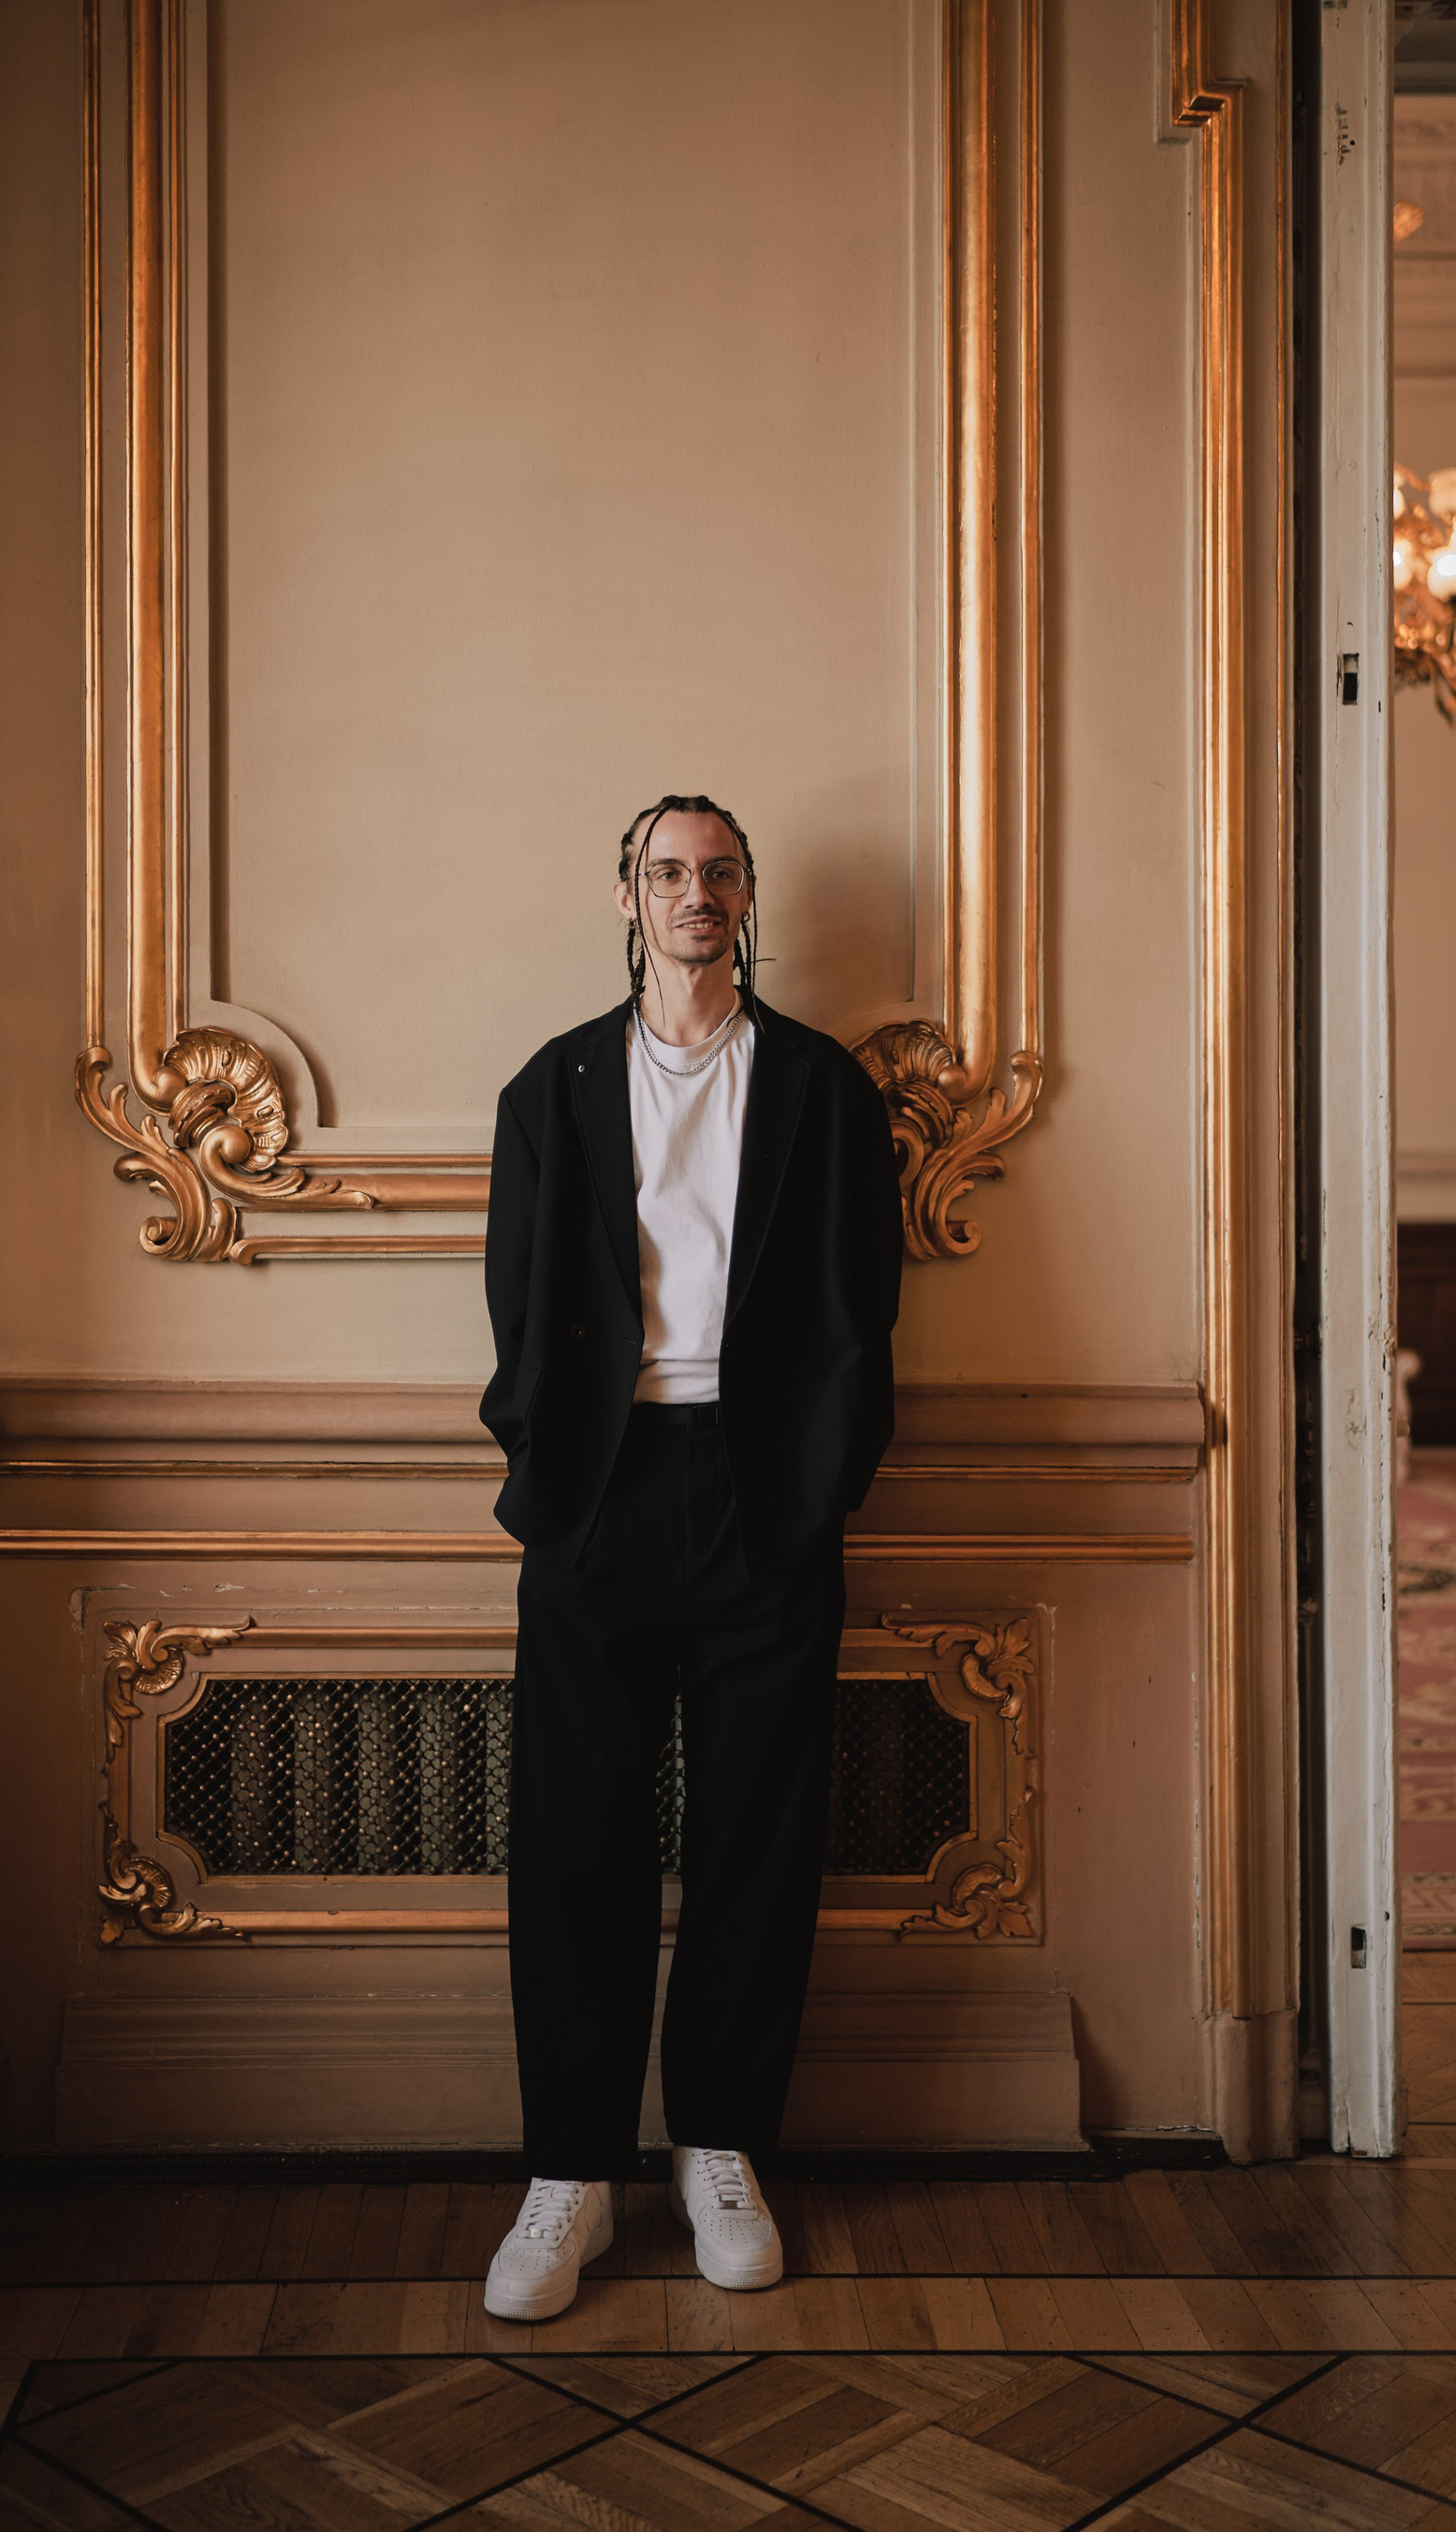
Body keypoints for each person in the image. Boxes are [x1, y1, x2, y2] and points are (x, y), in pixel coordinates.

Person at [477, 793, 904, 2321]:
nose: (694, 892)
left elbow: (865, 1305)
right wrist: (548, 1470)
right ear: (628, 897)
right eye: (668, 871)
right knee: (575, 1839)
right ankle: (572, 2175)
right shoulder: (555, 1086)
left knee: (756, 1837)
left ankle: (719, 2148)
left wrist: (822, 1481)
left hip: (765, 1495)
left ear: (746, 897)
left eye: (718, 871)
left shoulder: (820, 1088)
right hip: (600, 1494)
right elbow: (518, 1307)